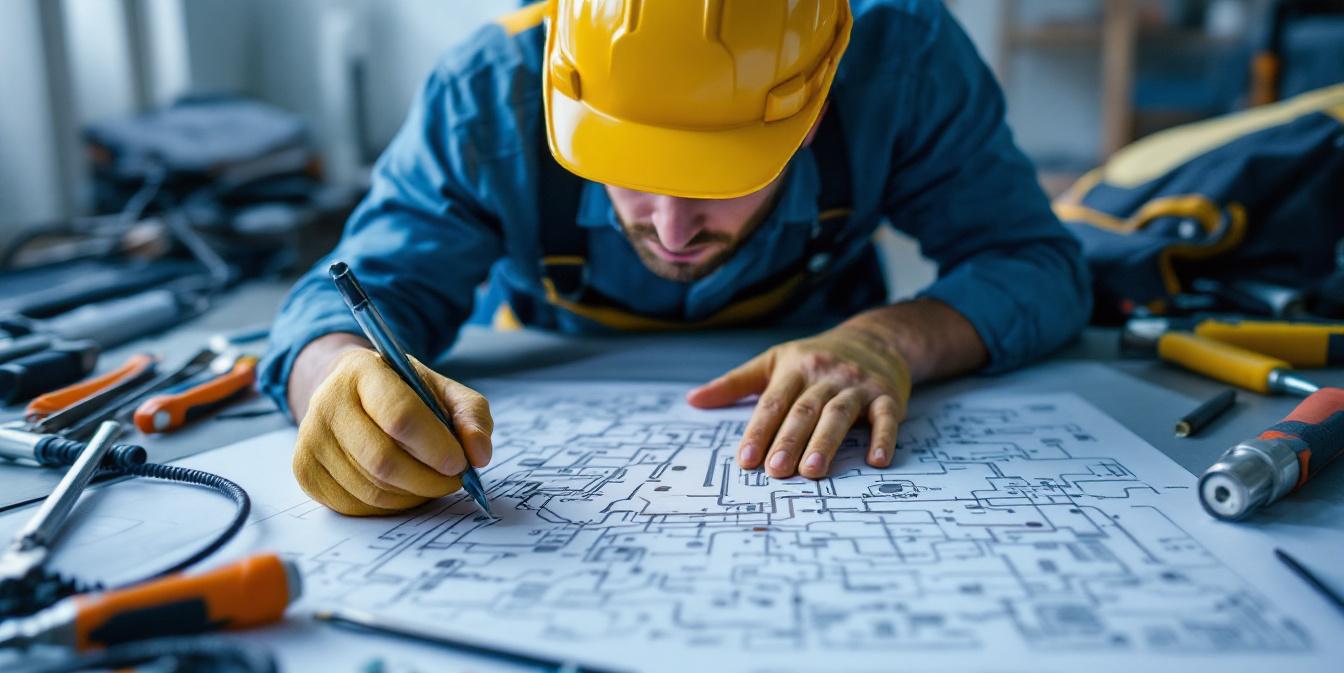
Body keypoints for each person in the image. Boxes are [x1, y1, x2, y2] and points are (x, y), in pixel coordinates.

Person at [261, 0, 1091, 516]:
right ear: (564, 91)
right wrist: (338, 379)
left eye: (717, 174)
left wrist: (891, 340)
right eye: (626, 168)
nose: (671, 227)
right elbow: (350, 300)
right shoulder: (488, 90)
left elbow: (1035, 263)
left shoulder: (902, 60)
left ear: (813, 104)